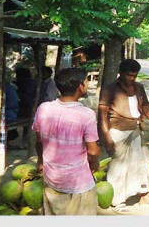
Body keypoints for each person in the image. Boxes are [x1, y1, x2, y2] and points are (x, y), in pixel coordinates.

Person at [99, 59, 149, 213]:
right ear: (121, 73)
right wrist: (106, 136)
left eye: (135, 76)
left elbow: (145, 107)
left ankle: (144, 196)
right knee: (119, 166)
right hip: (118, 130)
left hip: (136, 128)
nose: (132, 78)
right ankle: (118, 201)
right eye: (129, 75)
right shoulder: (110, 88)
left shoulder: (138, 87)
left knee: (143, 163)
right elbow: (102, 114)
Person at [32, 67, 100, 215]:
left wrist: (40, 162)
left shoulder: (43, 109)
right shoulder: (86, 115)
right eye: (86, 81)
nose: (87, 84)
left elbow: (39, 142)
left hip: (52, 179)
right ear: (80, 87)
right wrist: (94, 165)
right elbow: (93, 151)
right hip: (78, 183)